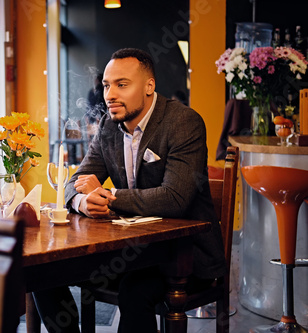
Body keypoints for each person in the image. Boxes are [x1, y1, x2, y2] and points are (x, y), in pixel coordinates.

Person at [32, 48, 226, 332]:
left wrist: (109, 198)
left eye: (122, 85)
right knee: (42, 271)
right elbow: (73, 183)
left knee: (134, 292)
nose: (110, 94)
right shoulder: (108, 127)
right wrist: (85, 202)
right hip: (130, 251)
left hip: (182, 257)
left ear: (149, 86)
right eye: (107, 85)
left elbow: (175, 199)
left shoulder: (183, 122)